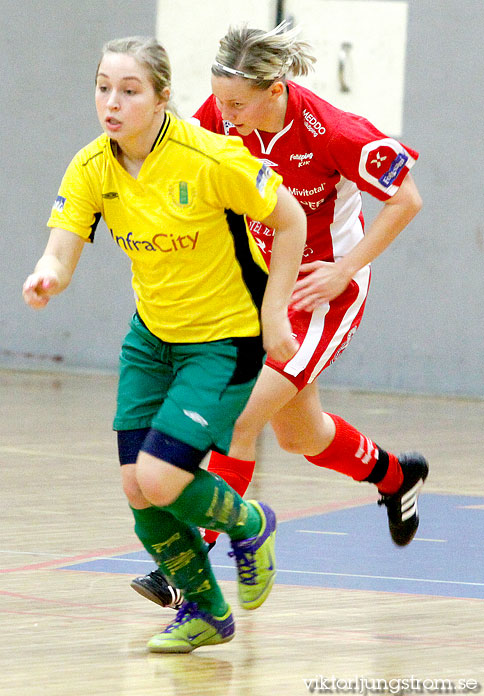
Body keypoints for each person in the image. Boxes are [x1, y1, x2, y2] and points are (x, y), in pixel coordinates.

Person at [23, 36, 307, 653]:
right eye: (103, 88)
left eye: (129, 91)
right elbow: (62, 246)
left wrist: (275, 311)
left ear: (161, 98)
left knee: (158, 477)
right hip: (151, 341)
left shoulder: (210, 157)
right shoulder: (92, 166)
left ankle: (252, 522)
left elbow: (291, 220)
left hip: (224, 342)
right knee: (136, 488)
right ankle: (206, 612)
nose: (112, 103)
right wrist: (48, 274)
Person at [131, 22, 427, 610]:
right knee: (299, 435)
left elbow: (407, 199)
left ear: (276, 89)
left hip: (323, 294)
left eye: (237, 103)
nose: (223, 113)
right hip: (267, 289)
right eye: (218, 99)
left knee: (238, 418)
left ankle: (186, 567)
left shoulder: (334, 132)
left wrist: (345, 270)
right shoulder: (223, 119)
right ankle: (397, 477)